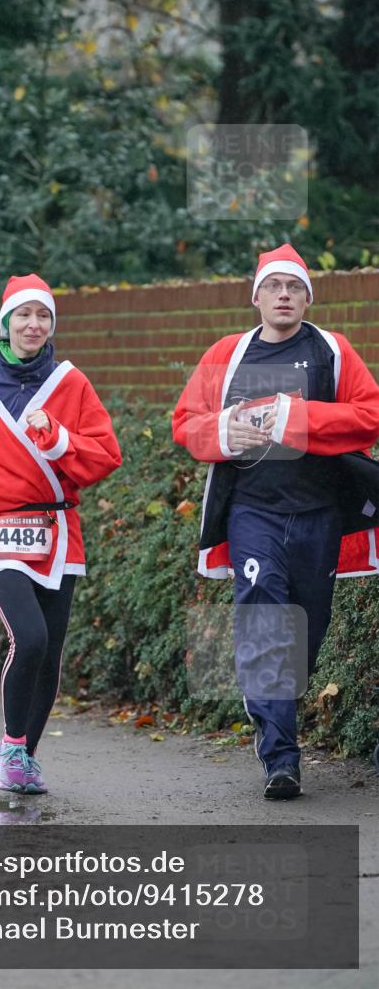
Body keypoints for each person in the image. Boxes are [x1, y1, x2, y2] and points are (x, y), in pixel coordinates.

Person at [172, 243, 379, 799]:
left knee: (305, 635)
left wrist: (295, 417)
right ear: (256, 296)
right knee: (265, 620)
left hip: (318, 515)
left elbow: (369, 417)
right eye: (273, 287)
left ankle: (276, 710)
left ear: (308, 297)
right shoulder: (227, 353)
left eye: (294, 288)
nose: (283, 296)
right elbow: (186, 422)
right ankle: (280, 758)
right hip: (252, 512)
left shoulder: (333, 352)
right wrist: (222, 434)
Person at [0, 273, 122, 794]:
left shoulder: (72, 383)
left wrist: (57, 440)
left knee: (51, 649)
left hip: (58, 529)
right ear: (6, 323)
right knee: (28, 637)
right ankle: (11, 745)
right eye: (24, 315)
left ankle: (25, 758)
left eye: (43, 317)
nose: (33, 325)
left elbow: (106, 453)